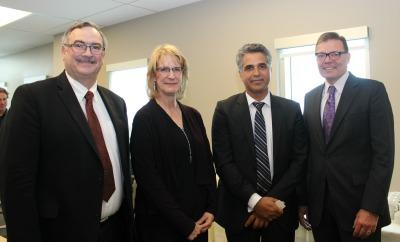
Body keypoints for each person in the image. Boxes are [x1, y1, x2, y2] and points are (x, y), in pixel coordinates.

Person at [0, 22, 135, 242]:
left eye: (95, 47)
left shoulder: (116, 103)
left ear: (103, 54)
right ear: (64, 50)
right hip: (59, 233)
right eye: (79, 45)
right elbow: (16, 183)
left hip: (115, 231)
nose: (87, 53)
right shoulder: (33, 98)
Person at [298, 32, 394, 242]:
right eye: (321, 55)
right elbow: (309, 155)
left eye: (335, 53)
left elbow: (383, 156)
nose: (328, 60)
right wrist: (304, 201)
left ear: (348, 56)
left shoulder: (372, 91)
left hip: (359, 210)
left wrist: (371, 207)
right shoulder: (310, 97)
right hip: (320, 211)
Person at [212, 43, 307, 242]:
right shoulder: (224, 111)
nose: (256, 73)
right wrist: (255, 202)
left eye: (262, 66)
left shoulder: (292, 110)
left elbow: (299, 160)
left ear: (270, 70)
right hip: (240, 213)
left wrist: (269, 204)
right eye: (249, 67)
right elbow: (223, 163)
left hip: (280, 211)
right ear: (240, 73)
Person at [130, 44, 216, 242]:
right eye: (164, 69)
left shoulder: (193, 115)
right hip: (161, 224)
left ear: (183, 75)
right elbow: (148, 179)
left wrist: (212, 208)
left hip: (199, 220)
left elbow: (206, 165)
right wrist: (184, 224)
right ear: (153, 76)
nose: (171, 75)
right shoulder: (144, 118)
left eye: (176, 69)